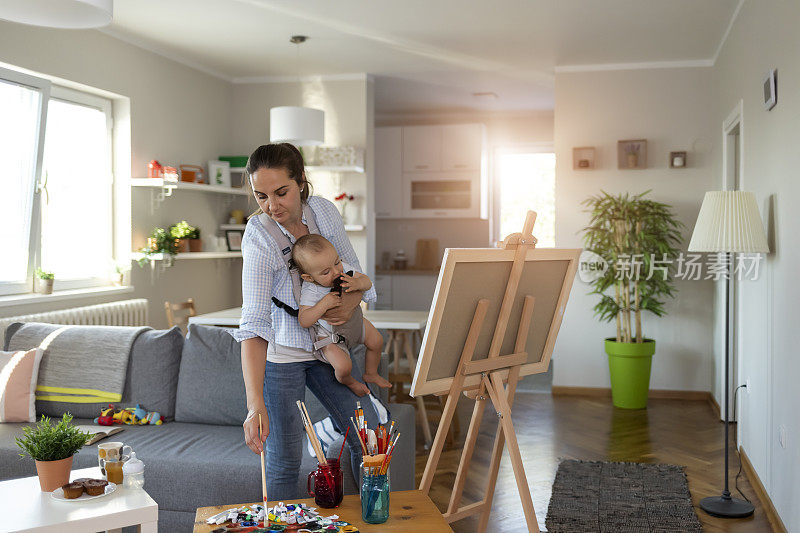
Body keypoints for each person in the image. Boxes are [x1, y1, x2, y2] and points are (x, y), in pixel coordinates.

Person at [233, 143, 388, 499]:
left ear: (301, 181)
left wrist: (346, 308)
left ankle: (362, 519)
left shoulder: (324, 211)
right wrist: (254, 403)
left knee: (368, 439)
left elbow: (354, 273)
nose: (272, 206)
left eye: (281, 192)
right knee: (285, 460)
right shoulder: (258, 236)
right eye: (261, 196)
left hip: (328, 346)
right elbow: (254, 321)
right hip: (284, 354)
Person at [291, 234, 392, 396]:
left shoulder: (343, 268)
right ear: (309, 277)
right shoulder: (311, 290)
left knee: (377, 341)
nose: (336, 271)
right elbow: (304, 320)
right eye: (326, 272)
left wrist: (357, 283)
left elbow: (367, 282)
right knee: (344, 367)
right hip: (331, 336)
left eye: (336, 262)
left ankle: (371, 373)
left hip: (355, 323)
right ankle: (349, 381)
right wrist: (323, 304)